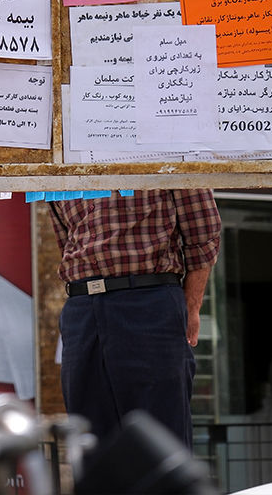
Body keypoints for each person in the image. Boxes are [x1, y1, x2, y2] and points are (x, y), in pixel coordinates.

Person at [49, 189, 222, 449]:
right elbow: (66, 240)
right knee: (89, 441)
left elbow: (203, 232)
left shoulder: (163, 149)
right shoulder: (62, 162)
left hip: (148, 300)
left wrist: (191, 306)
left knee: (159, 441)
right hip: (82, 306)